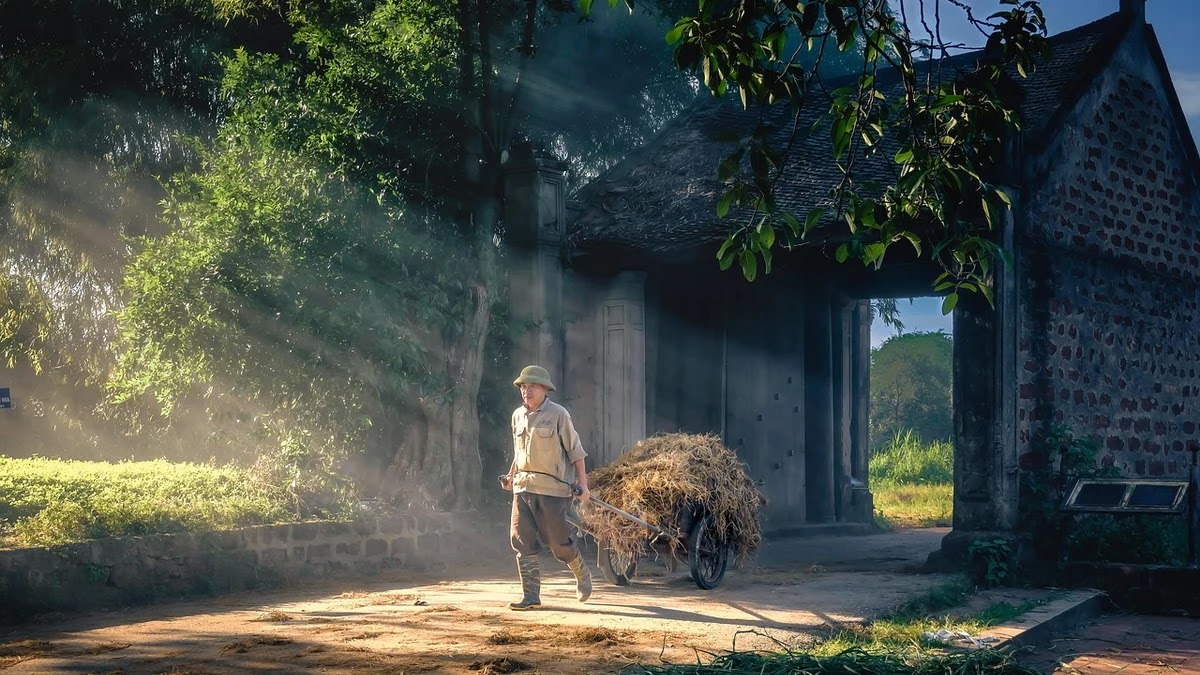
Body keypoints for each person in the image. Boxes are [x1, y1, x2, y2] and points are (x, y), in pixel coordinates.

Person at [499, 364, 593, 611]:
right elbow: (519, 452)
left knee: (558, 542)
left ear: (544, 389)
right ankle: (531, 596)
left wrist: (583, 484)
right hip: (523, 487)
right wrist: (510, 476)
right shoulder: (517, 415)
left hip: (552, 490)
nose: (526, 391)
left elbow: (576, 452)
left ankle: (582, 573)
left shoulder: (558, 414)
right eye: (523, 387)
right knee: (521, 539)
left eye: (532, 386)